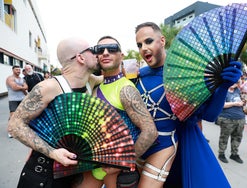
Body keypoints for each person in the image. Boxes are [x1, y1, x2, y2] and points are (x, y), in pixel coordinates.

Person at [135, 22, 242, 188]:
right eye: (139, 45)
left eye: (148, 41)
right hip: (144, 153)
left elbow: (210, 115)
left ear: (162, 41)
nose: (143, 48)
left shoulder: (186, 73)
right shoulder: (137, 76)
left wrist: (223, 87)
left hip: (182, 150)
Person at [8, 37, 100, 188]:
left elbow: (113, 74)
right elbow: (14, 125)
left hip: (74, 174)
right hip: (43, 175)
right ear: (81, 57)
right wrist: (52, 152)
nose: (98, 54)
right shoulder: (49, 87)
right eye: (93, 50)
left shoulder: (90, 82)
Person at [78, 36, 158, 188]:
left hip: (116, 170)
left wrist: (123, 162)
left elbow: (150, 132)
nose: (106, 53)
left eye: (112, 49)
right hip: (93, 163)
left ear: (121, 55)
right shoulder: (95, 84)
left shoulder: (126, 89)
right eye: (100, 50)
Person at [217, 82, 245, 164]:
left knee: (237, 137)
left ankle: (234, 154)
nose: (234, 83)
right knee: (224, 137)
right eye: (232, 81)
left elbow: (242, 101)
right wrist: (234, 103)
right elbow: (221, 105)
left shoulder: (238, 91)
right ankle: (221, 153)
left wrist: (243, 102)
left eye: (236, 82)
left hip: (240, 118)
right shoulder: (222, 91)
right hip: (227, 118)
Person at [6, 65, 28, 138]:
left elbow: (26, 87)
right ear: (13, 70)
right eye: (16, 70)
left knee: (21, 115)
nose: (18, 71)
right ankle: (10, 131)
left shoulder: (22, 79)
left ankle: (19, 129)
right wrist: (22, 88)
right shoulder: (10, 78)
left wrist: (20, 88)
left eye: (19, 70)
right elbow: (14, 87)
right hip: (13, 100)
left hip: (22, 99)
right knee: (12, 116)